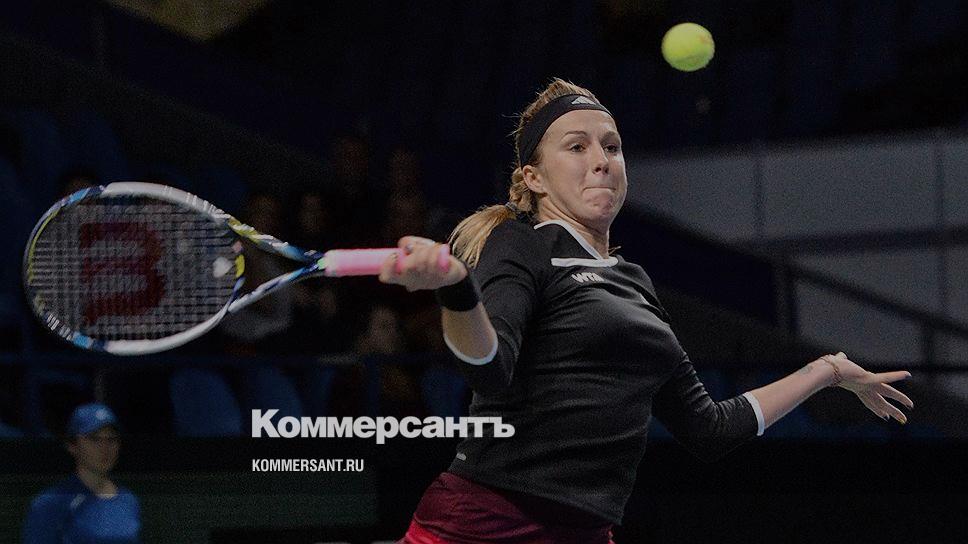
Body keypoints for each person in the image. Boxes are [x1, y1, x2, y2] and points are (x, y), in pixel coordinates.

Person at [379, 78, 915, 543]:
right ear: (534, 178)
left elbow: (709, 429)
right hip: (485, 524)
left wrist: (827, 371)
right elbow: (489, 369)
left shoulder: (634, 281)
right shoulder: (522, 246)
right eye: (577, 146)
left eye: (612, 146)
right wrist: (456, 289)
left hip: (586, 532)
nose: (601, 160)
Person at [23, 403, 141, 543]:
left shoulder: (128, 501)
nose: (105, 447)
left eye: (111, 439)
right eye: (94, 438)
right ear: (72, 445)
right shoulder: (50, 504)